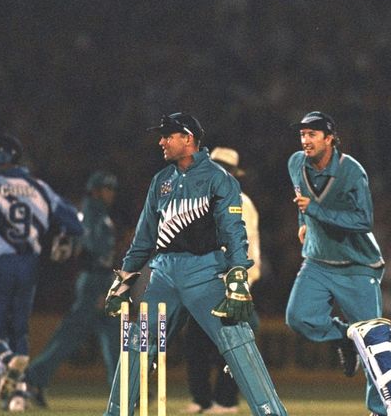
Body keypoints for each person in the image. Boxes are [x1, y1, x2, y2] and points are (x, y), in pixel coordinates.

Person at [101, 112, 286, 416]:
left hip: (206, 271)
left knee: (237, 340)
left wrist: (238, 275)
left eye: (168, 136)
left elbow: (233, 231)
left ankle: (272, 413)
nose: (161, 141)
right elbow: (144, 238)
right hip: (163, 275)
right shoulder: (161, 181)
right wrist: (122, 282)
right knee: (139, 343)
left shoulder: (219, 179)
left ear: (188, 138)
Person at [286, 111, 387, 416]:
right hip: (317, 261)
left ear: (329, 139)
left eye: (312, 135)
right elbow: (302, 200)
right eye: (303, 134)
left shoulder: (351, 171)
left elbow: (363, 220)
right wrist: (303, 221)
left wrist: (314, 211)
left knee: (373, 343)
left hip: (356, 265)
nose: (306, 141)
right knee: (298, 318)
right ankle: (344, 336)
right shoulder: (295, 163)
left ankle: (380, 410)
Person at [0, 133, 83, 411]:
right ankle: (17, 396)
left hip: (0, 263)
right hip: (30, 264)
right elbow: (76, 223)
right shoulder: (40, 188)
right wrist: (64, 239)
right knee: (19, 330)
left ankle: (7, 361)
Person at [25, 171, 121, 408]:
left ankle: (123, 390)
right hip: (95, 281)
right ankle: (32, 379)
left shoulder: (95, 212)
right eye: (106, 188)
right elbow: (92, 251)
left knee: (112, 339)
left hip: (101, 280)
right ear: (96, 190)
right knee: (71, 335)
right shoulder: (92, 213)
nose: (110, 193)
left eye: (112, 189)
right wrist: (101, 291)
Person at [182, 146, 262, 414]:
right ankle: (202, 400)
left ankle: (226, 402)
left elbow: (248, 251)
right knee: (196, 343)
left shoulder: (242, 203)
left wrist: (239, 286)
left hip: (231, 284)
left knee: (232, 347)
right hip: (203, 283)